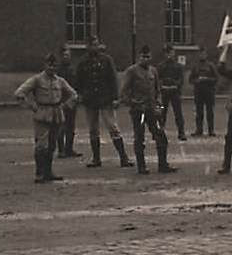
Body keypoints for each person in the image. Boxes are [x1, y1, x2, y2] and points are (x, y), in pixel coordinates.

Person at [16, 53, 78, 183]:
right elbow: (19, 93)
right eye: (49, 65)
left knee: (52, 144)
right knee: (41, 145)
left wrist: (65, 106)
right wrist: (32, 106)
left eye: (54, 66)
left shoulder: (60, 81)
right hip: (42, 113)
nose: (52, 68)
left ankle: (48, 172)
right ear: (45, 65)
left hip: (57, 113)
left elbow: (73, 95)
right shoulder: (37, 79)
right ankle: (39, 173)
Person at [75, 37, 130, 168]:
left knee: (112, 127)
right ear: (87, 46)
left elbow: (113, 78)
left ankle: (123, 157)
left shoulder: (106, 60)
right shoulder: (83, 62)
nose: (95, 47)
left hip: (105, 98)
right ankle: (96, 158)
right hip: (90, 99)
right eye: (92, 45)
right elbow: (79, 80)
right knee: (93, 129)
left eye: (96, 45)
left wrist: (116, 97)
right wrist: (80, 94)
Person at [120, 46, 175, 173]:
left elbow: (158, 91)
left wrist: (159, 106)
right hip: (139, 111)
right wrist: (133, 103)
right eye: (143, 56)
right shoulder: (132, 71)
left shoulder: (153, 71)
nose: (146, 59)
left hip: (152, 110)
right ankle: (141, 166)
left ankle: (163, 164)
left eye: (148, 56)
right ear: (139, 57)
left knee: (161, 136)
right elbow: (123, 92)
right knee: (139, 137)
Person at [156, 44, 189, 142]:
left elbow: (181, 79)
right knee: (162, 112)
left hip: (175, 92)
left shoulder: (178, 66)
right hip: (164, 92)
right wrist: (162, 86)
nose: (169, 55)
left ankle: (181, 132)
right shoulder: (161, 66)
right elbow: (158, 79)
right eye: (167, 53)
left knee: (178, 112)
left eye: (171, 53)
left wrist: (176, 85)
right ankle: (160, 132)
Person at [54, 43, 81, 159]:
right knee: (61, 126)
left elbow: (76, 84)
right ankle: (61, 150)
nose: (67, 57)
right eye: (65, 55)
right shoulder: (58, 70)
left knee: (71, 126)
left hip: (71, 100)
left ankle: (69, 148)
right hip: (61, 101)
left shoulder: (72, 69)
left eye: (68, 55)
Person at [190, 53, 219, 137]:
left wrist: (207, 79)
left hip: (209, 91)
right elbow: (191, 79)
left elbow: (216, 78)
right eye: (200, 54)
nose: (202, 56)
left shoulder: (211, 66)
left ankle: (211, 130)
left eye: (203, 54)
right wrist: (197, 81)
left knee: (210, 112)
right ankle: (199, 129)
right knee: (199, 112)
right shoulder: (195, 66)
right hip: (198, 92)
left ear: (206, 55)